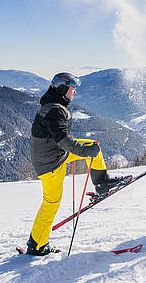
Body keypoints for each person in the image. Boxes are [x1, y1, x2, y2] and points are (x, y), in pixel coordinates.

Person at [25, 72, 131, 256]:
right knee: (51, 203)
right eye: (72, 89)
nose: (75, 93)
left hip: (55, 155)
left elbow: (62, 142)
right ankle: (36, 246)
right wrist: (82, 151)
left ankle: (102, 183)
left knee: (93, 147)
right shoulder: (54, 110)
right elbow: (63, 140)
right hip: (50, 164)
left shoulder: (55, 106)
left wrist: (85, 150)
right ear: (62, 88)